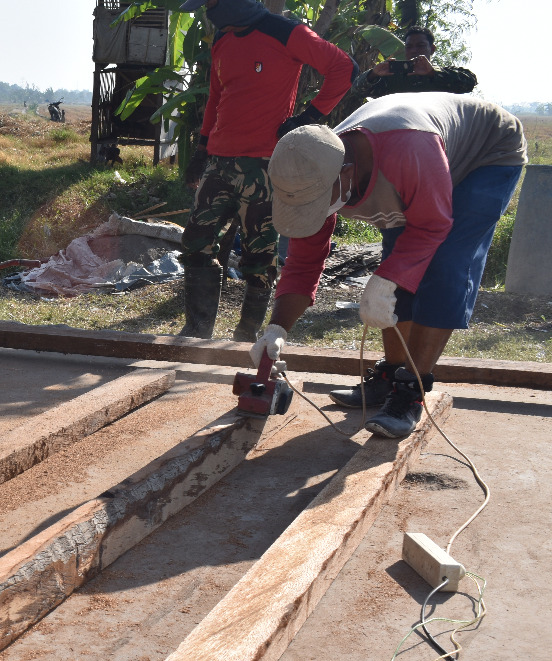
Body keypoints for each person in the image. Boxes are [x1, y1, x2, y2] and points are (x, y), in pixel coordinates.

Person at [255, 93, 526, 437]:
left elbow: (432, 226)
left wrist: (387, 279)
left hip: (485, 155)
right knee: (398, 258)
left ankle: (411, 389)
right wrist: (275, 330)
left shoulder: (409, 151)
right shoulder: (312, 170)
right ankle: (392, 373)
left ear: (347, 173)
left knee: (446, 266)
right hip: (418, 162)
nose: (315, 210)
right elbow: (304, 262)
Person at [176, 0, 355, 341]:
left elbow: (343, 68)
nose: (208, 9)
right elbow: (216, 97)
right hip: (219, 162)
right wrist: (201, 151)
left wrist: (307, 119)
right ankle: (197, 333)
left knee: (259, 256)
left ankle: (246, 337)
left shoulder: (284, 32)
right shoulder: (222, 39)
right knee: (196, 243)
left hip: (265, 166)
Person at [349, 26, 476, 100]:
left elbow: (469, 82)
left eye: (420, 46)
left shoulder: (443, 76)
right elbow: (356, 90)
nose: (414, 51)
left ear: (432, 49)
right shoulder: (391, 77)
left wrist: (433, 73)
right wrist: (373, 75)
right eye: (409, 47)